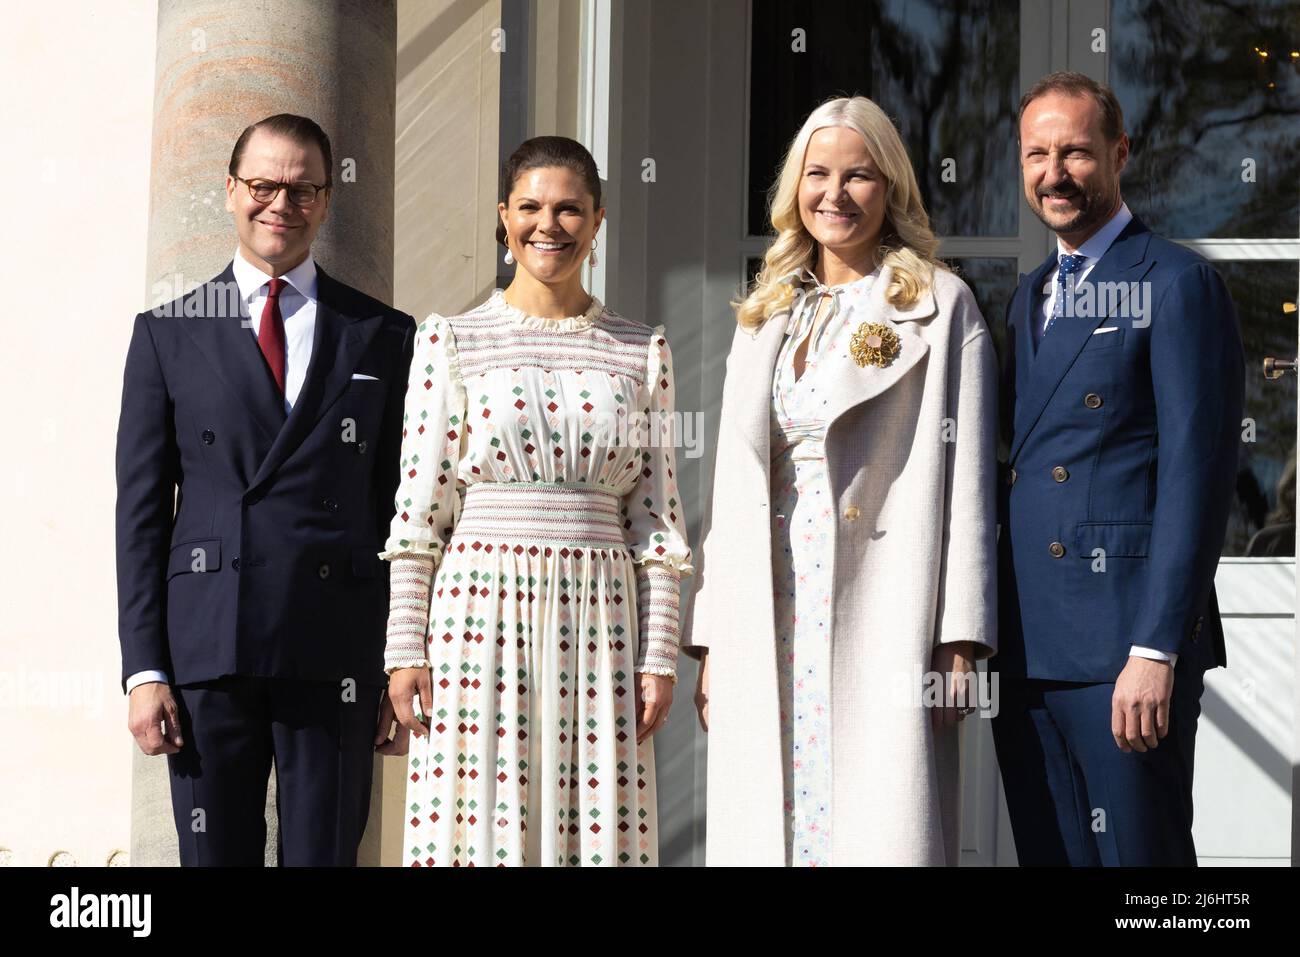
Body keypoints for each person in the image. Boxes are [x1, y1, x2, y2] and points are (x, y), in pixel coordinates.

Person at [681, 95, 997, 866]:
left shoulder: (941, 306)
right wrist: (716, 636)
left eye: (859, 175)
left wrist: (961, 632)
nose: (836, 193)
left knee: (878, 817)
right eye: (818, 174)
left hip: (887, 597)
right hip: (771, 598)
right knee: (772, 816)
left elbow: (971, 480)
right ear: (795, 190)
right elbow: (734, 488)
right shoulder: (764, 315)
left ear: (890, 187)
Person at [381, 135, 692, 867]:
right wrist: (403, 646)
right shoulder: (450, 339)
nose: (547, 225)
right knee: (478, 821)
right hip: (476, 617)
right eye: (530, 207)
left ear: (598, 219)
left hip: (600, 620)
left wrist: (659, 657)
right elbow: (420, 510)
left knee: (592, 823)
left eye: (568, 209)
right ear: (504, 215)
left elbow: (658, 516)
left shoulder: (641, 348)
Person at [115, 113, 415, 865]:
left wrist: (400, 658)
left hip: (336, 646)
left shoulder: (382, 333)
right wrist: (144, 667)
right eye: (262, 185)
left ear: (325, 199)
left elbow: (400, 510)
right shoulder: (168, 331)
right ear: (230, 191)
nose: (280, 203)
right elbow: (143, 515)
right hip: (209, 648)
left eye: (301, 188)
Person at [994, 72, 1244, 866]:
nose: (1055, 173)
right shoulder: (1025, 297)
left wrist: (1157, 648)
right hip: (1028, 644)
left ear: (1119, 153)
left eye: (1075, 151)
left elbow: (1196, 481)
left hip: (1122, 652)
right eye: (1037, 154)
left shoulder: (1175, 283)